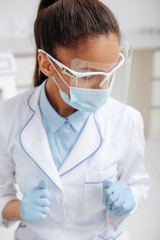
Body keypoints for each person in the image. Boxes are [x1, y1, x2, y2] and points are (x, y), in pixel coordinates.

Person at [0, 0, 149, 239]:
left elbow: (138, 184)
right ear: (47, 64)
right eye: (88, 75)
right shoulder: (7, 117)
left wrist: (129, 198)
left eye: (109, 72)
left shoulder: (127, 120)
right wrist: (20, 209)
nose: (103, 86)